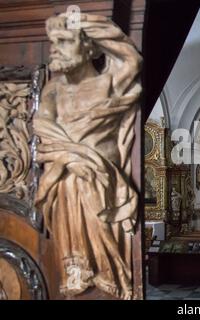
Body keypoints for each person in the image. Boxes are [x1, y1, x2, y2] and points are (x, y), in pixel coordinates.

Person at [34, 13, 142, 299]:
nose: (55, 48)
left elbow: (130, 57)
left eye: (65, 41)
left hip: (101, 183)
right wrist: (76, 157)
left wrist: (80, 19)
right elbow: (43, 130)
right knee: (68, 225)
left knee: (100, 223)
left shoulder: (110, 83)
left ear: (91, 47)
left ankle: (107, 274)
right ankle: (76, 272)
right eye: (53, 42)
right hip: (63, 181)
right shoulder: (53, 89)